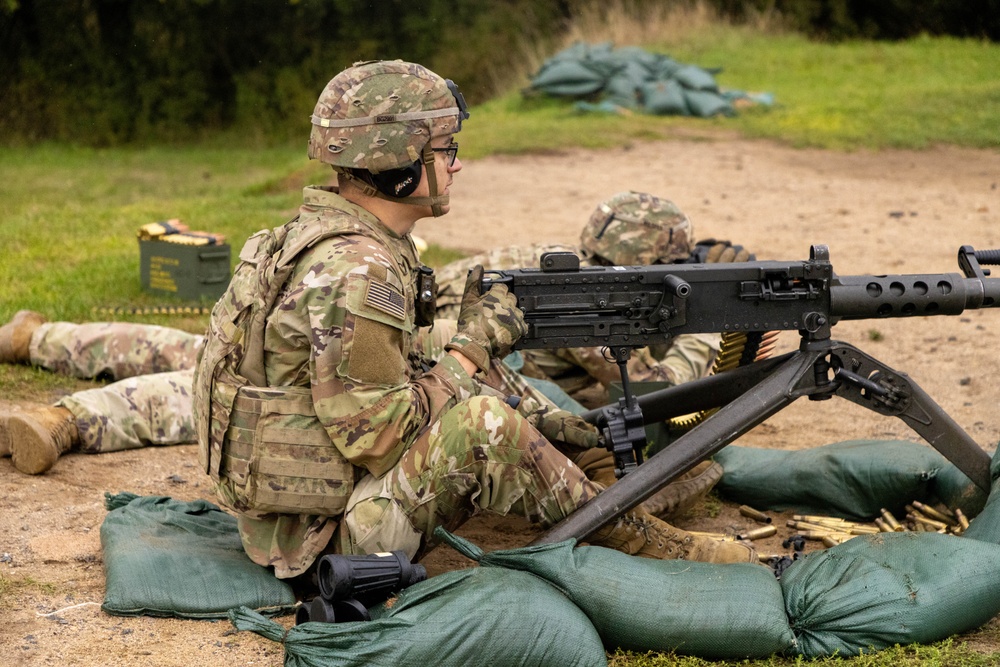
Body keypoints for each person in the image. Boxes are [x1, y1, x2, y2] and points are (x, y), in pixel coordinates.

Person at [186, 59, 757, 580]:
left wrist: (546, 420)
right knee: (485, 423)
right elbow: (382, 437)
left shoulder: (331, 240)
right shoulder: (359, 270)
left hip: (297, 513)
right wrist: (476, 346)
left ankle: (589, 474)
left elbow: (410, 375)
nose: (458, 164)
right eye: (446, 148)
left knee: (476, 377)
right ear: (400, 161)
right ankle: (648, 543)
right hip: (328, 540)